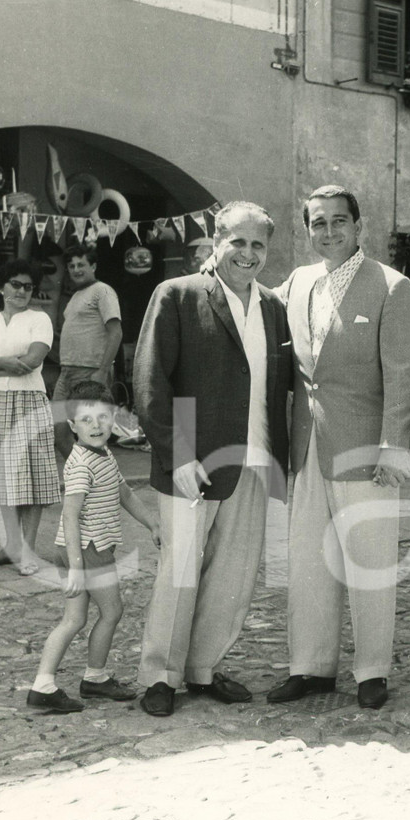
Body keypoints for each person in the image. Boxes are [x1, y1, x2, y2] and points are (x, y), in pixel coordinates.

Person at [267, 184, 410, 711]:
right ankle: (310, 667)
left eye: (339, 221)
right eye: (318, 223)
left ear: (358, 226)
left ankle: (372, 670)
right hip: (306, 442)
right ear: (307, 229)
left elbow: (405, 375)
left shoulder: (391, 286)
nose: (329, 231)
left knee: (369, 558)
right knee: (310, 560)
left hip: (366, 449)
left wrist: (394, 447)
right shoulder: (297, 282)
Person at [132, 201, 291, 717]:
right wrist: (176, 454)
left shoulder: (272, 306)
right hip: (192, 464)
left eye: (258, 245)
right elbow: (152, 381)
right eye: (238, 242)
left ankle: (202, 669)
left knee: (233, 576)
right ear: (215, 240)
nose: (248, 254)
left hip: (255, 458)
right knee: (179, 571)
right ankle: (160, 675)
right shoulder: (177, 296)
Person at [27, 381, 160, 713]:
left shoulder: (102, 454)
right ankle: (94, 678)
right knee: (112, 611)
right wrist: (75, 565)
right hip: (86, 549)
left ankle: (45, 684)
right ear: (73, 426)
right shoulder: (83, 465)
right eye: (87, 419)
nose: (97, 425)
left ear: (113, 418)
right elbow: (70, 516)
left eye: (103, 417)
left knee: (74, 619)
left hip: (82, 548)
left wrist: (153, 523)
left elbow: (124, 493)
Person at [0, 258, 59, 574]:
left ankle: (27, 551)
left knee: (32, 476)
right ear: (2, 286)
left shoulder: (40, 319)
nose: (21, 291)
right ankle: (12, 546)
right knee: (2, 478)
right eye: (15, 284)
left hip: (29, 400)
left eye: (28, 286)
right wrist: (6, 361)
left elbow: (32, 361)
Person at [52, 244, 123, 459]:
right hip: (66, 373)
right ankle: (84, 476)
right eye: (71, 266)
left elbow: (116, 332)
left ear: (93, 265)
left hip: (90, 372)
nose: (76, 269)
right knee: (59, 432)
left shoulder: (103, 290)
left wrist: (102, 371)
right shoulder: (75, 296)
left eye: (81, 264)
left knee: (90, 435)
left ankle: (99, 484)